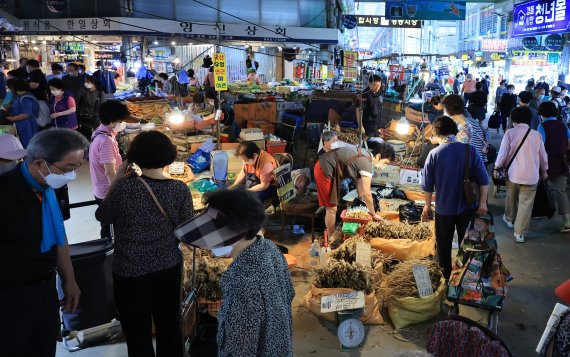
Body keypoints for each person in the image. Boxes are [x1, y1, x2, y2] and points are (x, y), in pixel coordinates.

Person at [96, 130, 194, 357]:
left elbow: (103, 216)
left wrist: (118, 179)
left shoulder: (123, 189)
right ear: (169, 156)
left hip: (130, 272)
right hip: (167, 268)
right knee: (169, 326)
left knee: (136, 330)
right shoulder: (179, 189)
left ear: (134, 157)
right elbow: (186, 230)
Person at [175, 189, 294, 356]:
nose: (210, 245)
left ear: (239, 231)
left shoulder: (241, 281)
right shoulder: (270, 250)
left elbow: (238, 348)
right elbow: (289, 295)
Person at [0, 129, 85, 357]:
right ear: (39, 163)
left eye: (78, 166)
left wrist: (69, 279)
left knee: (44, 347)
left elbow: (59, 235)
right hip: (11, 297)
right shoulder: (6, 195)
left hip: (45, 288)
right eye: (69, 168)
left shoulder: (48, 188)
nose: (74, 174)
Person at [421, 116, 489, 279]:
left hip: (444, 209)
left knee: (443, 245)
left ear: (437, 134)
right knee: (467, 244)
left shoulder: (434, 154)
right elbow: (484, 180)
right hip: (468, 207)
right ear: (455, 132)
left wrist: (427, 207)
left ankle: (445, 277)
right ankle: (463, 277)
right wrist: (483, 203)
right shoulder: (469, 150)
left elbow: (427, 186)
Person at [315, 132, 384, 237]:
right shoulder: (366, 162)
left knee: (333, 207)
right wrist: (373, 214)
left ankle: (332, 235)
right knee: (331, 209)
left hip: (332, 169)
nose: (384, 166)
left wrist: (360, 196)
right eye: (385, 163)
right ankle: (331, 238)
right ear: (378, 156)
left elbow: (359, 179)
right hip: (323, 169)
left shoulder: (365, 154)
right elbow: (367, 193)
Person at [495, 106, 548, 243]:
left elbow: (503, 153)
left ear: (514, 119)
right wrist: (544, 170)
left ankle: (509, 219)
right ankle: (519, 233)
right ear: (530, 120)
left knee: (511, 197)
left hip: (513, 174)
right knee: (526, 204)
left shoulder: (510, 133)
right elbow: (543, 156)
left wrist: (497, 167)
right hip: (531, 176)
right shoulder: (537, 135)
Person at [89, 100, 128, 238]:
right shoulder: (106, 141)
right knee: (110, 228)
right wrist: (117, 194)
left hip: (99, 187)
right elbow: (110, 172)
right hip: (107, 191)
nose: (123, 123)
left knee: (106, 224)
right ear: (112, 120)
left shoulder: (99, 131)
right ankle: (108, 253)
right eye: (121, 120)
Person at [536, 101, 570, 232]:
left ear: (541, 113)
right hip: (561, 161)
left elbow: (540, 146)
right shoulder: (563, 125)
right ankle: (567, 221)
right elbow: (569, 143)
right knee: (560, 191)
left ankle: (538, 212)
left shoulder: (542, 126)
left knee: (538, 187)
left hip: (546, 161)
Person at [442, 94, 487, 162]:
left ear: (449, 108)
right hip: (478, 159)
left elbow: (457, 152)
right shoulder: (471, 121)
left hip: (470, 165)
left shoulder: (463, 130)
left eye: (444, 108)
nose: (443, 110)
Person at [5, 78, 39, 148]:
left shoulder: (26, 98)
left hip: (27, 125)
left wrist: (12, 119)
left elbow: (26, 114)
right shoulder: (19, 97)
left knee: (28, 145)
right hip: (21, 124)